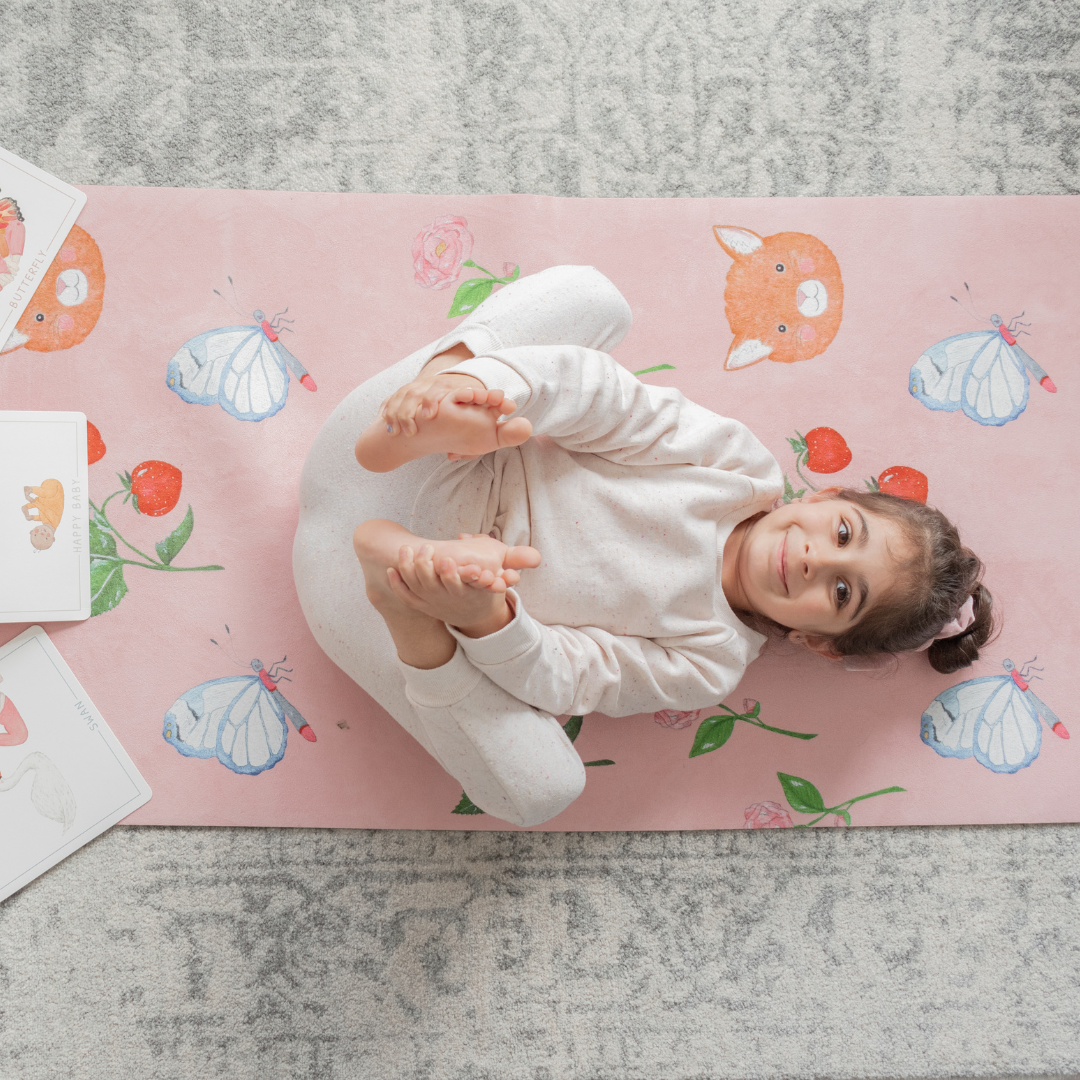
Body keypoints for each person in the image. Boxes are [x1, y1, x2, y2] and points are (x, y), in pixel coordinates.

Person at [293, 266, 994, 827]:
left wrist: (485, 618)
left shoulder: (707, 664)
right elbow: (607, 400)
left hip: (381, 601)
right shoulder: (734, 466)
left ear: (819, 642)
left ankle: (408, 606)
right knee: (594, 300)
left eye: (842, 593)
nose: (816, 559)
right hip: (407, 449)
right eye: (843, 535)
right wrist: (490, 392)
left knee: (543, 792)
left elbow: (566, 676)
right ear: (826, 498)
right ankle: (440, 388)